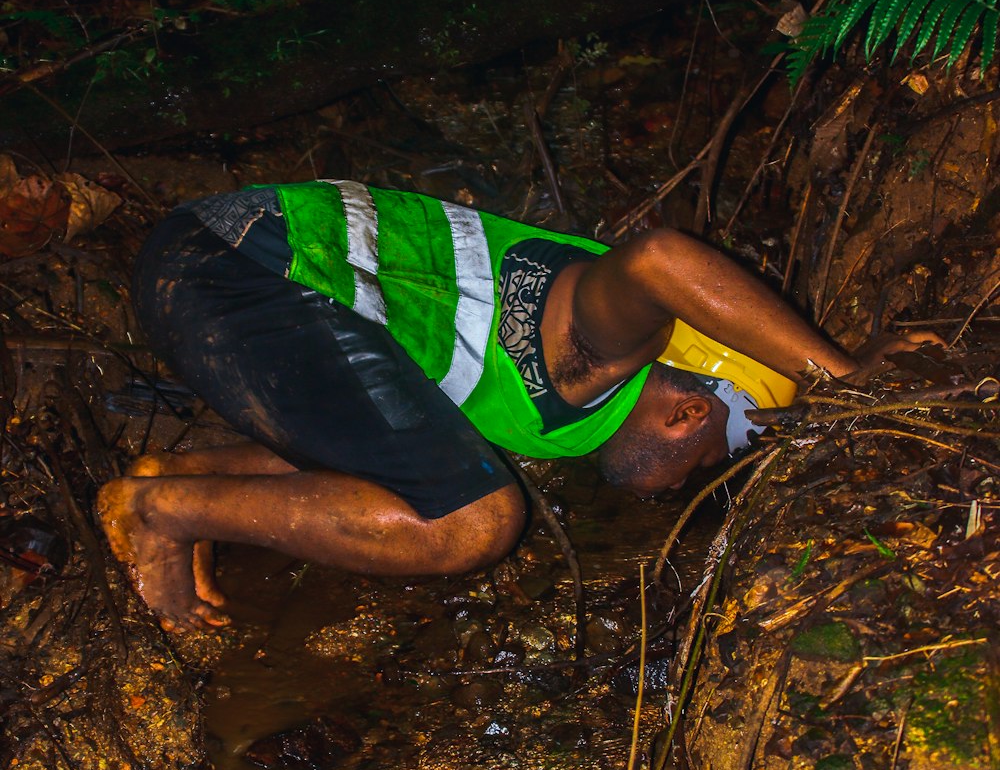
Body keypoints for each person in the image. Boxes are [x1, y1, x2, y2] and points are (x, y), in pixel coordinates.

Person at [96, 179, 908, 632]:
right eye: (712, 460)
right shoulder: (604, 350)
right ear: (690, 414)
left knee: (430, 463)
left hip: (222, 257)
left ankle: (182, 477)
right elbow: (661, 258)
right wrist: (841, 381)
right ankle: (160, 510)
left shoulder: (557, 410)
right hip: (247, 268)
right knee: (473, 518)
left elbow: (366, 431)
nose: (686, 483)